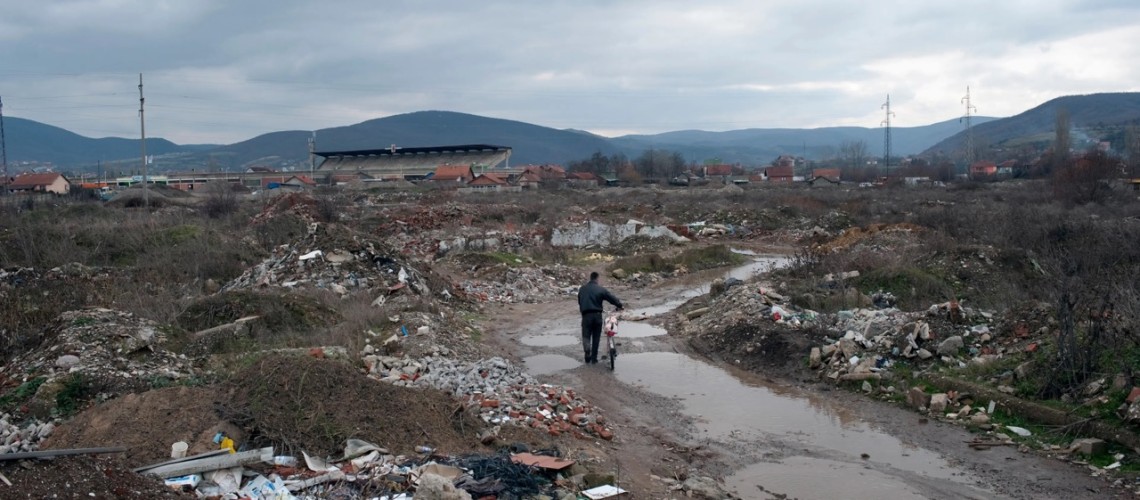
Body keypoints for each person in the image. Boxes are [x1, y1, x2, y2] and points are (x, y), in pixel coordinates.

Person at [577, 271, 623, 364]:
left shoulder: (582, 289)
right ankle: (594, 359)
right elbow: (611, 298)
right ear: (597, 279)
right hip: (597, 315)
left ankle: (587, 352)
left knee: (586, 335)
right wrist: (619, 305)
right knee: (596, 337)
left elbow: (580, 301)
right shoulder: (600, 289)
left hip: (586, 316)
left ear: (590, 278)